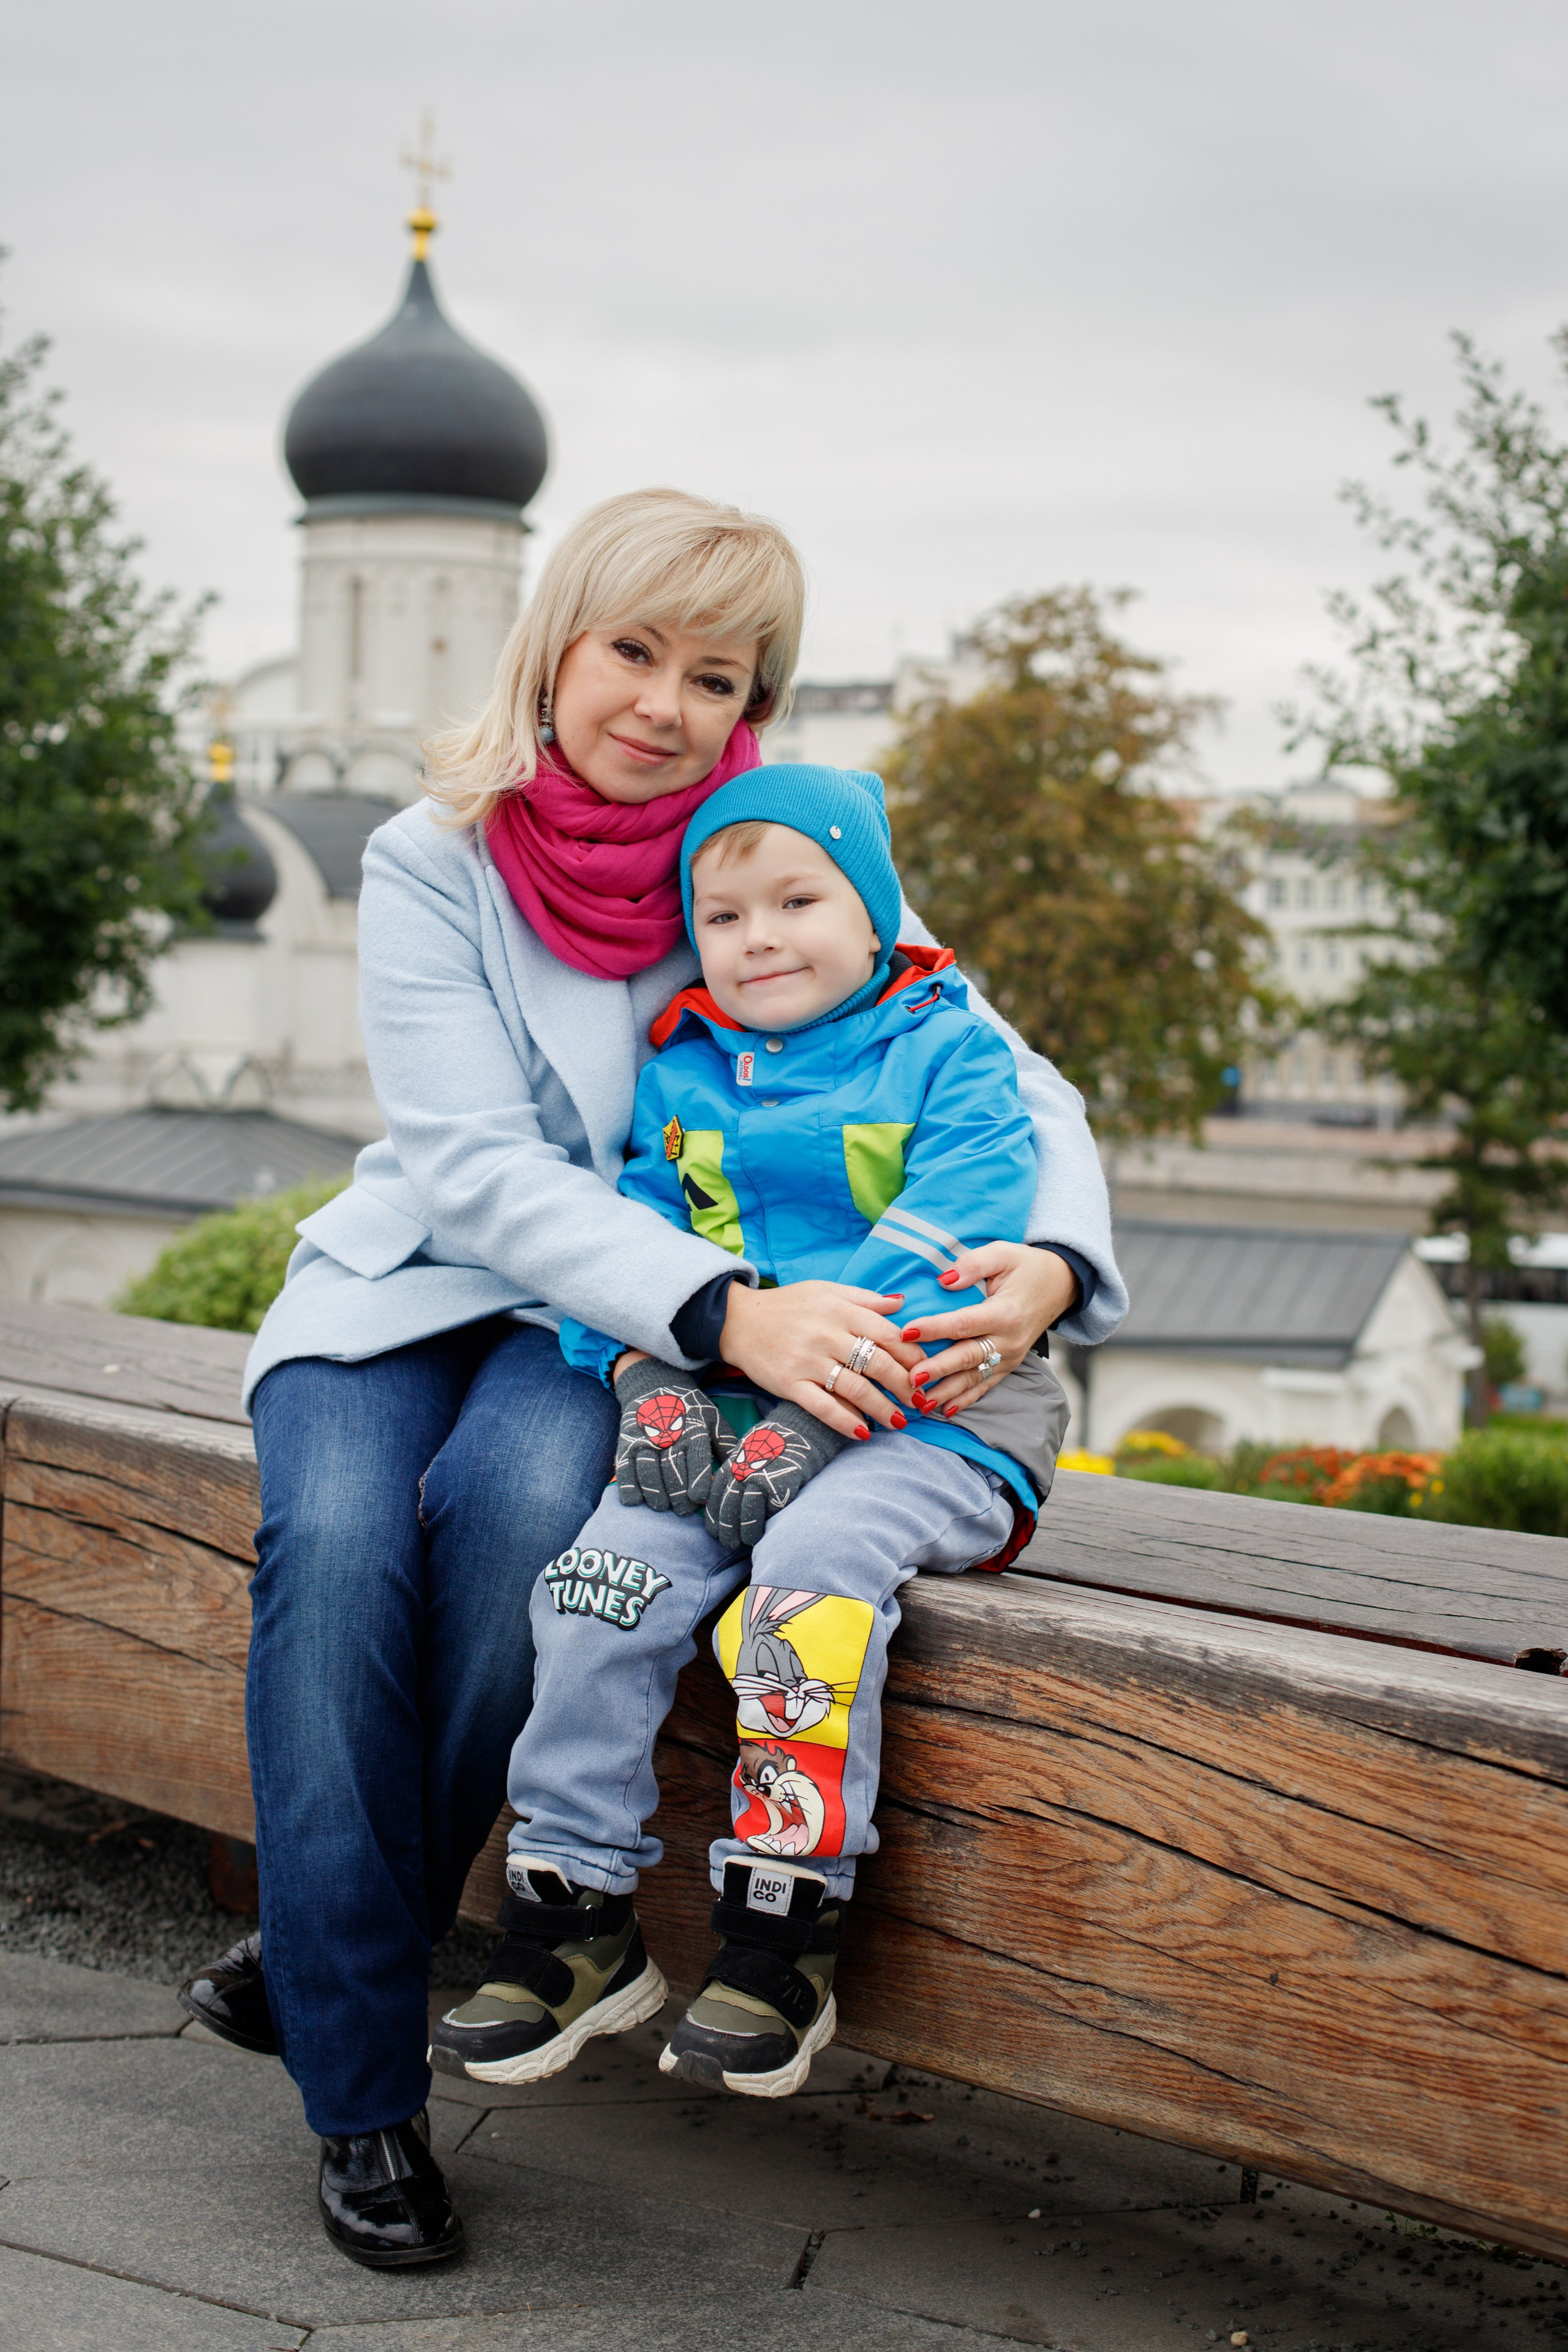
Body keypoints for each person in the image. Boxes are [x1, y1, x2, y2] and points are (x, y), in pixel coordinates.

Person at [176, 488, 1127, 2269]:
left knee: (529, 1535)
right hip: (435, 1295)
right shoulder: (430, 857)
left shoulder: (764, 851)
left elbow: (1004, 1064)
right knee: (334, 1559)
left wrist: (1061, 1261)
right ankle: (362, 2092)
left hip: (605, 1340)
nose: (665, 706)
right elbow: (471, 1167)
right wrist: (730, 1311)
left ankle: (329, 1950)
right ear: (558, 643)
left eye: (719, 673)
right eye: (635, 652)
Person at [429, 761, 1072, 2101]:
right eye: (722, 917)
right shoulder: (684, 1068)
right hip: (724, 1414)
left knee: (807, 1581)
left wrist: (816, 1416)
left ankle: (783, 1926)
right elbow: (630, 1248)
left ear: (877, 908)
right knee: (598, 1582)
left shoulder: (946, 1050)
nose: (758, 937)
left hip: (930, 1414)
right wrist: (644, 1377)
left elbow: (959, 1222)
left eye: (797, 900)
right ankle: (573, 1909)